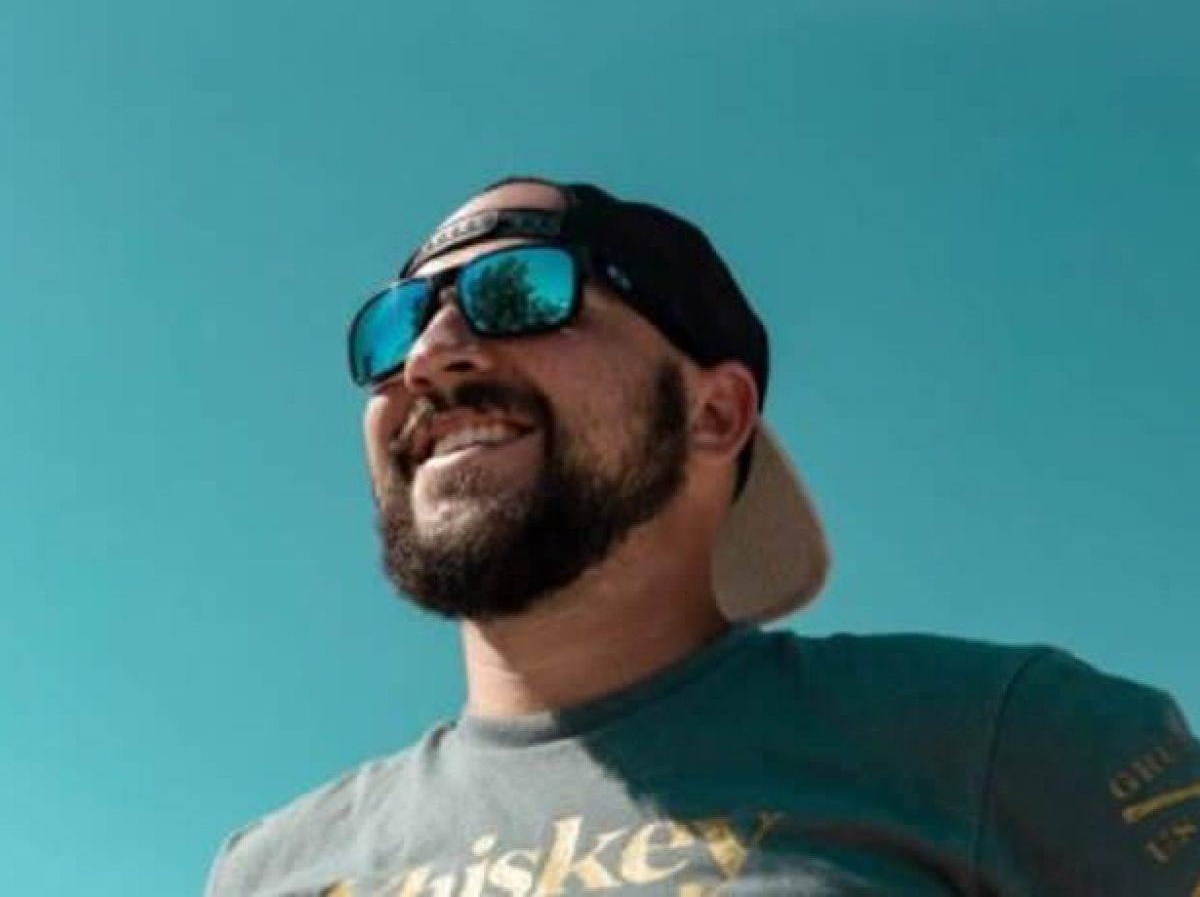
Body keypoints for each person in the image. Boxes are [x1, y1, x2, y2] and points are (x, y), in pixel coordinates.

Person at [206, 178, 1200, 896]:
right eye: (395, 326)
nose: (430, 356)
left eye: (517, 293)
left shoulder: (1010, 742)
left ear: (715, 414)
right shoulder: (268, 869)